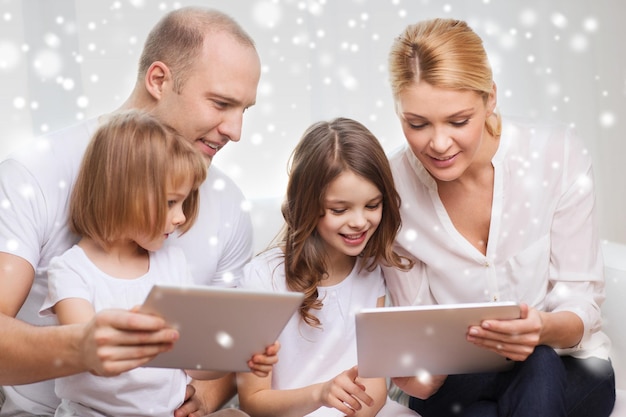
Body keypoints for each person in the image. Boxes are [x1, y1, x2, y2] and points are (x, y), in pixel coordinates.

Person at [0, 6, 262, 416]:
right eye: (220, 103)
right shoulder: (35, 174)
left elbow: (219, 346)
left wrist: (205, 398)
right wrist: (82, 346)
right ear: (159, 79)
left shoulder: (227, 204)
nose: (235, 131)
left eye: (244, 110)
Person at [382, 18, 616, 417]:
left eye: (458, 121)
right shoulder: (393, 188)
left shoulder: (556, 155)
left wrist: (541, 329)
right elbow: (416, 331)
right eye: (416, 124)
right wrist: (418, 371)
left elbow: (582, 304)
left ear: (491, 98)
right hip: (460, 377)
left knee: (537, 361)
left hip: (570, 364)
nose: (438, 144)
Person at [39, 110, 276, 417]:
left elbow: (193, 365)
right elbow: (92, 359)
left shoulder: (172, 263)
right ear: (121, 194)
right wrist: (144, 339)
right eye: (169, 203)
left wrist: (237, 357)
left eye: (184, 202)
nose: (180, 217)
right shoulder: (71, 271)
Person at [236, 118, 420, 417]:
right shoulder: (262, 279)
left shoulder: (372, 270)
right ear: (308, 204)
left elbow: (374, 388)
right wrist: (320, 394)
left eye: (372, 206)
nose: (360, 221)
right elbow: (253, 399)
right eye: (340, 209)